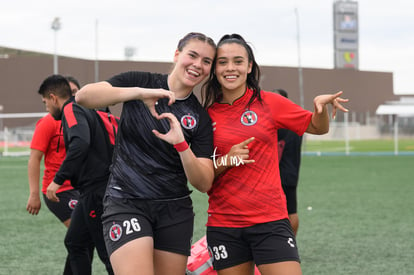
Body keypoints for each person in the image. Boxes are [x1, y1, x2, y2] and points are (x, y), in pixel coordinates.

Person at [201, 34, 348, 275]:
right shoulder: (206, 115)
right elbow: (201, 177)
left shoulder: (270, 103)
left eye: (238, 61)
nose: (230, 68)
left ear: (249, 66)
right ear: (214, 68)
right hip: (224, 225)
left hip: (270, 221)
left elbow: (318, 127)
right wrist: (227, 161)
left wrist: (319, 109)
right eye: (223, 62)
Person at [75, 32, 216, 275]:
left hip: (174, 210)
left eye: (206, 61)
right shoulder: (139, 81)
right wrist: (139, 93)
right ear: (176, 55)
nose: (197, 65)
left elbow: (203, 182)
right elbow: (84, 97)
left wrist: (182, 144)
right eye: (192, 55)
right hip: (127, 202)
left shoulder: (200, 117)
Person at [38, 74, 114, 275]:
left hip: (97, 190)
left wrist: (57, 180)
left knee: (108, 253)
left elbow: (80, 144)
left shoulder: (71, 109)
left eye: (46, 102)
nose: (46, 108)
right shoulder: (86, 109)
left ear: (54, 98)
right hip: (92, 190)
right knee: (75, 242)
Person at [26, 76, 85, 275]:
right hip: (59, 191)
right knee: (83, 237)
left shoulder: (82, 118)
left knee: (81, 239)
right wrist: (34, 194)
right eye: (71, 92)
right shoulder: (48, 122)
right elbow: (34, 159)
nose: (74, 97)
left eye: (76, 92)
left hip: (81, 188)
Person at [274, 89, 303, 236]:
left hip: (275, 174)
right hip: (292, 172)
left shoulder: (278, 123)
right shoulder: (295, 120)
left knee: (273, 213)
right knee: (292, 210)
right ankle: (292, 242)